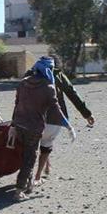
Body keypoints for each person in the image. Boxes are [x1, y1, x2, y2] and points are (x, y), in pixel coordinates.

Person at [9, 57, 75, 201]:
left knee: (25, 155)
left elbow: (17, 104)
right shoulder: (48, 87)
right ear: (48, 70)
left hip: (19, 124)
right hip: (34, 128)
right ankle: (19, 191)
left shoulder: (23, 83)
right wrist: (68, 125)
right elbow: (56, 109)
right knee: (30, 158)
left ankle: (29, 184)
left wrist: (13, 125)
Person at [32, 57, 95, 185]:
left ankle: (43, 167)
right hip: (54, 117)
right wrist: (86, 113)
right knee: (47, 142)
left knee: (37, 143)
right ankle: (38, 176)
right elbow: (72, 93)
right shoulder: (57, 75)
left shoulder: (31, 74)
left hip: (33, 118)